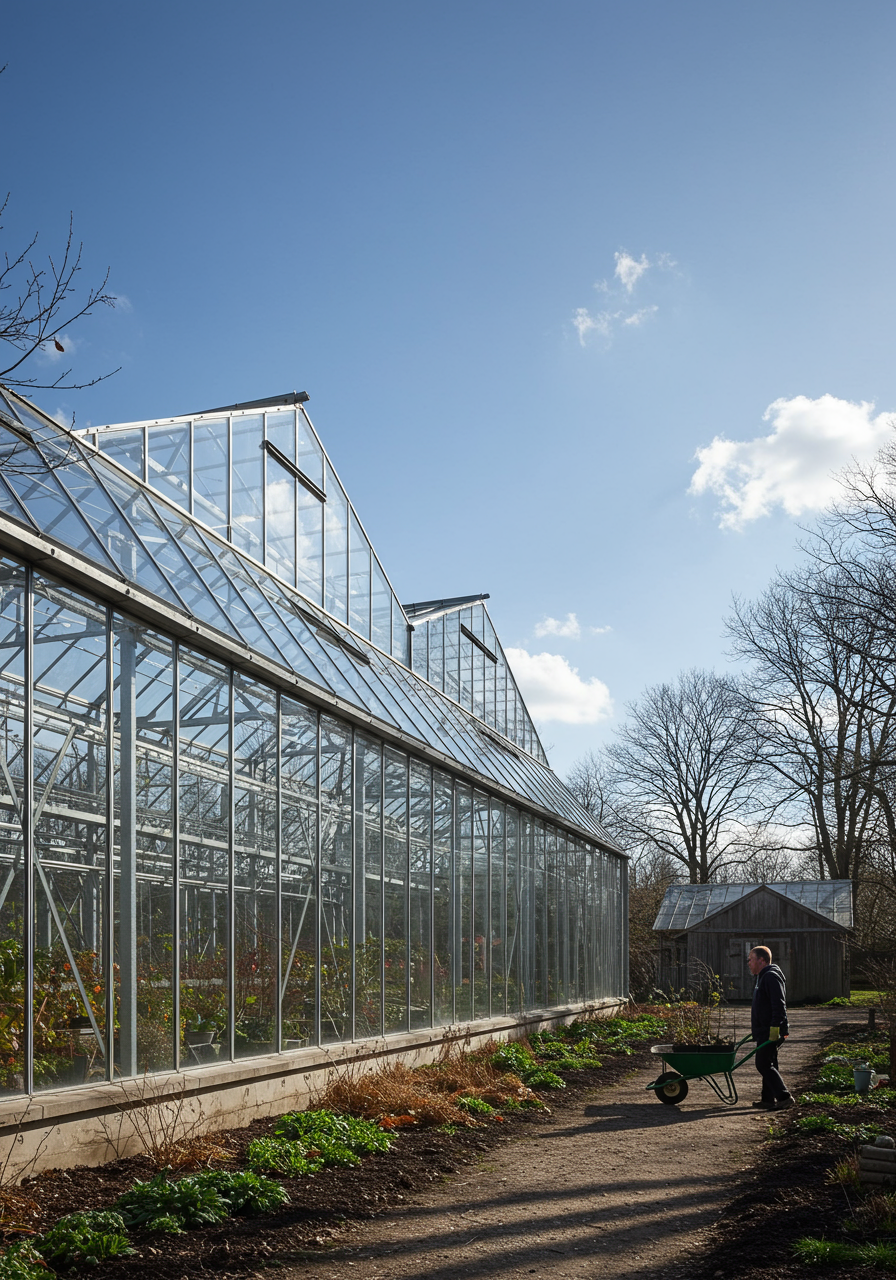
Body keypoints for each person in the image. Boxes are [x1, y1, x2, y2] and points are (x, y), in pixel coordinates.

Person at [748, 945, 794, 1110]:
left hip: (772, 1030)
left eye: (751, 959)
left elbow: (779, 1006)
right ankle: (768, 1099)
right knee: (769, 1062)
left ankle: (784, 1096)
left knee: (763, 1063)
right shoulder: (762, 977)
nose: (748, 963)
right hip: (764, 1030)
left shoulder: (771, 977)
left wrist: (775, 1029)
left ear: (761, 960)